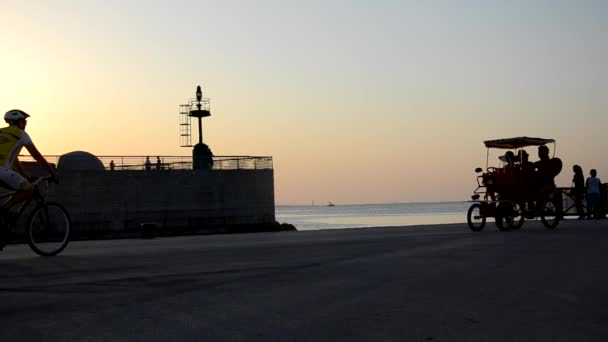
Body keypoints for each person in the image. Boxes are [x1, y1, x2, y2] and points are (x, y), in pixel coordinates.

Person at [0, 109, 58, 217]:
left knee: (20, 186)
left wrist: (24, 174)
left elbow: (14, 158)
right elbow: (36, 155)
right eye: (24, 121)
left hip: (3, 172)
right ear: (17, 122)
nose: (25, 124)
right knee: (29, 189)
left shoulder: (1, 131)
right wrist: (52, 172)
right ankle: (4, 209)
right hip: (2, 171)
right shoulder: (21, 134)